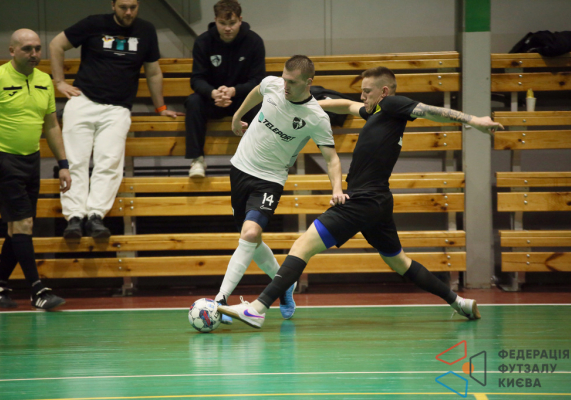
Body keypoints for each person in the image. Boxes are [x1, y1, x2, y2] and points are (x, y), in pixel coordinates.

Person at [218, 66, 505, 329]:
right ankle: (459, 302)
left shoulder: (393, 104)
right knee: (400, 263)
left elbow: (429, 111)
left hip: (362, 200)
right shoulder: (377, 112)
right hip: (378, 202)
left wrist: (473, 120)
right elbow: (346, 105)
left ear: (384, 92)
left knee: (302, 246)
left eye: (367, 91)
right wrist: (310, 106)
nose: (362, 96)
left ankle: (257, 309)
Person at [214, 55, 347, 324]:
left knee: (251, 233)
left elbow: (332, 158)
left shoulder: (316, 117)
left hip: (270, 180)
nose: (285, 86)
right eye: (284, 79)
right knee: (250, 240)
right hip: (240, 169)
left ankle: (220, 298)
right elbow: (257, 91)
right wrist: (237, 116)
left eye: (292, 82)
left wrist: (337, 188)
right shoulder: (273, 84)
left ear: (308, 82)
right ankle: (285, 285)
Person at [50, 0, 183, 239]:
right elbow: (56, 44)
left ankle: (96, 215)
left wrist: (161, 107)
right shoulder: (94, 23)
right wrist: (59, 82)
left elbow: (153, 71)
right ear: (113, 5)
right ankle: (74, 217)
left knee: (109, 162)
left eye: (133, 6)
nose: (128, 12)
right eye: (123, 7)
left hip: (118, 108)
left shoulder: (146, 30)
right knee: (75, 161)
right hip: (83, 100)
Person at [0, 29, 72, 310]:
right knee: (23, 224)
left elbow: (51, 125)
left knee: (17, 228)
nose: (34, 54)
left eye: (37, 48)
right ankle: (38, 290)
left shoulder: (44, 81)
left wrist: (63, 165)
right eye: (27, 49)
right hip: (1, 158)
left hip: (31, 160)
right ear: (12, 51)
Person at [186, 0, 265, 178]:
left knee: (261, 104)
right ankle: (197, 160)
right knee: (193, 101)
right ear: (215, 20)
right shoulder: (203, 42)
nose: (227, 28)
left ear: (240, 20)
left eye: (232, 23)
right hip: (214, 100)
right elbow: (197, 79)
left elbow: (258, 81)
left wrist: (234, 91)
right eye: (222, 23)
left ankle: (257, 160)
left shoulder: (254, 41)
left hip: (242, 100)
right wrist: (213, 93)